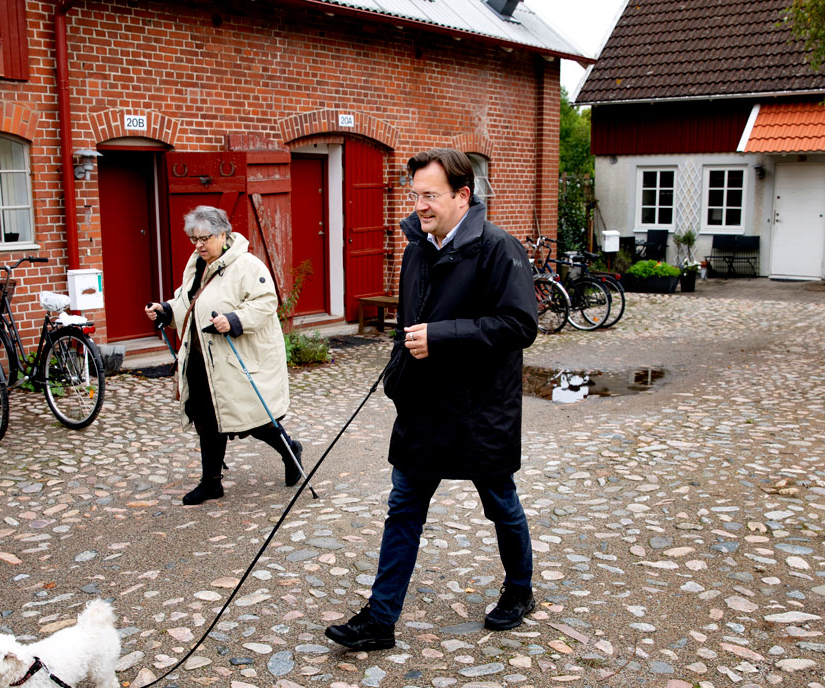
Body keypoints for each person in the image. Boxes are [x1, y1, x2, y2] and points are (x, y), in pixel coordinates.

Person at [325, 149, 540, 650]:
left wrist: (443, 337)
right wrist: (398, 379)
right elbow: (408, 325)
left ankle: (520, 590)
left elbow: (519, 325)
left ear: (462, 196)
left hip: (480, 408)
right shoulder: (417, 248)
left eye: (430, 195)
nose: (419, 204)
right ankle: (380, 621)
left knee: (500, 504)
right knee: (403, 509)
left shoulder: (499, 248)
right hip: (424, 407)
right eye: (415, 194)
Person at [144, 206, 303, 506]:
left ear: (224, 234)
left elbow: (266, 303)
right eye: (194, 239)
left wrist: (233, 319)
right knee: (207, 417)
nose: (199, 245)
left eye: (205, 238)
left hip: (235, 357)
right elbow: (187, 301)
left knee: (254, 418)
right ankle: (211, 483)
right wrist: (165, 310)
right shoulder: (198, 265)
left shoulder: (247, 266)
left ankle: (290, 450)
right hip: (202, 357)